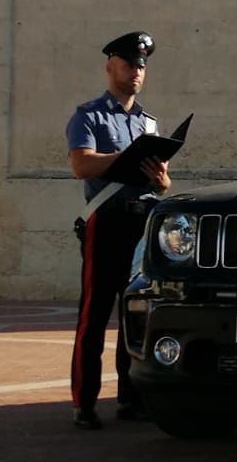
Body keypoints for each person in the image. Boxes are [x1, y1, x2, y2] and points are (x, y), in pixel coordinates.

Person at [65, 31, 170, 430]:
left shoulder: (149, 122)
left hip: (142, 222)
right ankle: (84, 402)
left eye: (142, 65)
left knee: (135, 313)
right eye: (129, 64)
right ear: (110, 66)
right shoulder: (88, 116)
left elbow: (164, 184)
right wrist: (125, 158)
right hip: (105, 222)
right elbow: (81, 165)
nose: (136, 72)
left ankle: (131, 397)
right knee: (93, 314)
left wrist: (161, 180)